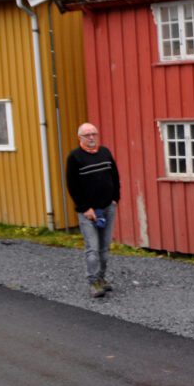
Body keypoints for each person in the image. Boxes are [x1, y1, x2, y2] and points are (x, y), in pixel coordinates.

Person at [66, 122, 121, 298]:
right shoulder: (75, 157)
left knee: (104, 248)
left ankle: (102, 278)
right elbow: (72, 186)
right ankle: (93, 282)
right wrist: (84, 208)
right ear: (80, 138)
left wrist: (115, 198)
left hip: (107, 207)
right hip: (88, 212)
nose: (91, 138)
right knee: (93, 249)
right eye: (87, 135)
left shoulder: (105, 152)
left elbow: (114, 175)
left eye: (93, 134)